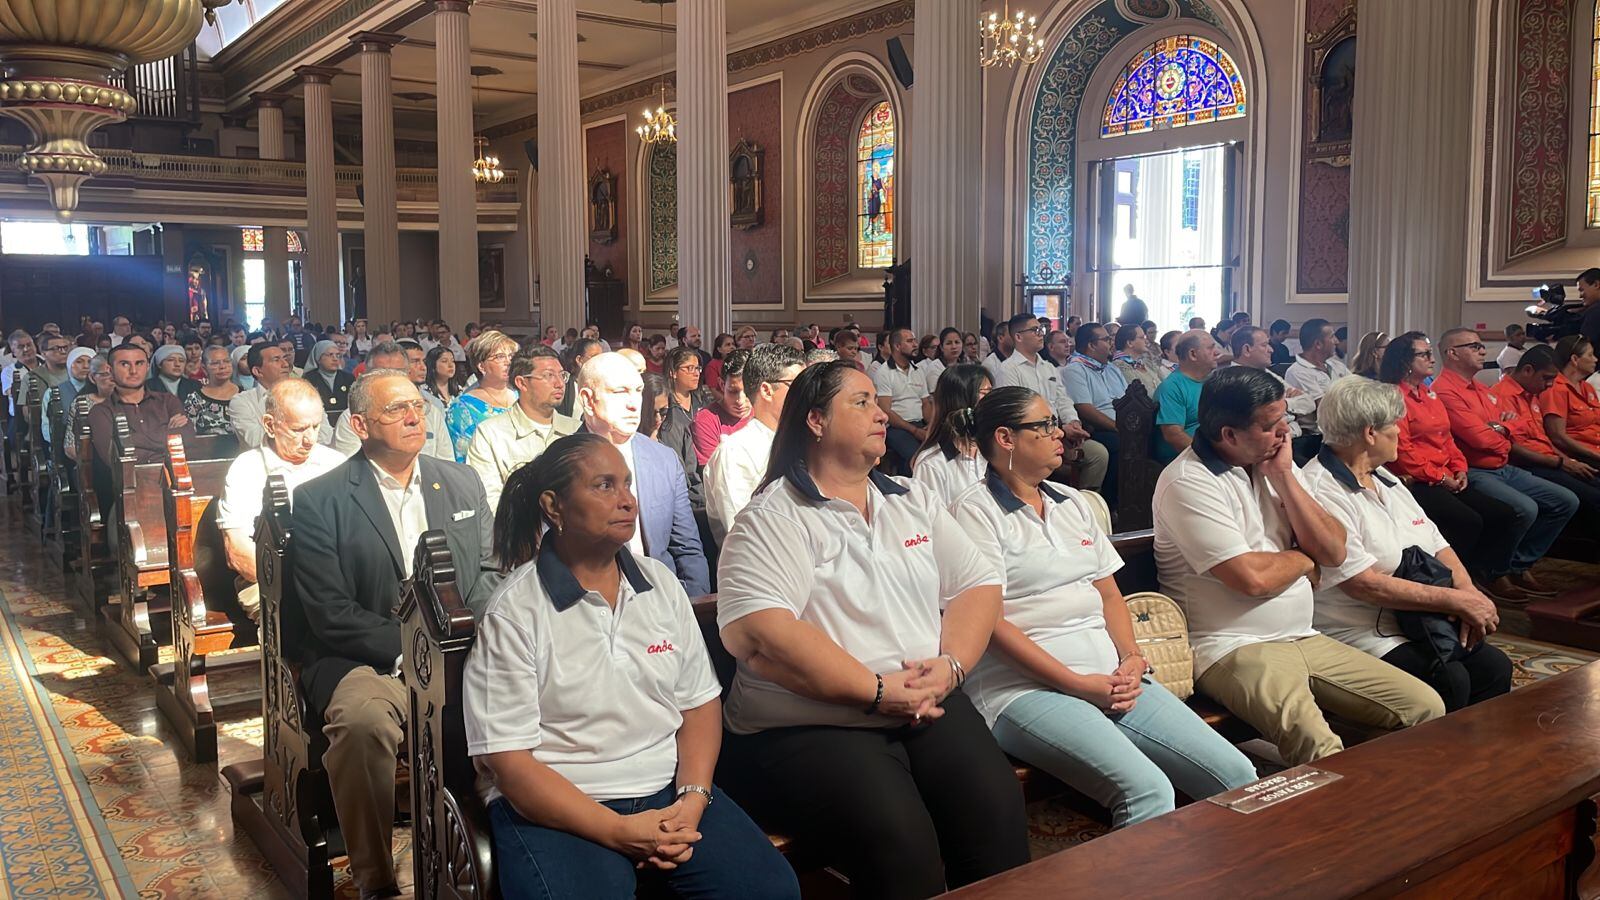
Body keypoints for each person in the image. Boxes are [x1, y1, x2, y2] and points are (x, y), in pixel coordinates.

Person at [715, 361, 1031, 898]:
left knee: (995, 808)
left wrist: (951, 667)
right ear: (815, 420)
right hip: (811, 722)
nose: (882, 414)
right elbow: (764, 632)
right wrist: (878, 691)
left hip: (925, 699)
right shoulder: (773, 516)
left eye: (876, 402)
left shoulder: (910, 498)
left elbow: (977, 584)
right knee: (902, 843)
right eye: (860, 403)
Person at [462, 435, 800, 900]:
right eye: (604, 486)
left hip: (666, 788)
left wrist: (692, 798)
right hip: (560, 800)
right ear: (554, 506)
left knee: (769, 889)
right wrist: (620, 831)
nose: (627, 501)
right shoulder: (515, 611)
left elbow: (699, 704)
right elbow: (509, 763)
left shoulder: (660, 585)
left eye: (626, 484)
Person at [950, 386, 1256, 827]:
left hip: (1111, 677)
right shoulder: (974, 512)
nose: (1060, 433)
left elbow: (1109, 593)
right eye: (1045, 425)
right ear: (1005, 438)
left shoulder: (1070, 501)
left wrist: (1131, 657)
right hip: (1024, 689)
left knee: (1237, 775)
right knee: (1147, 790)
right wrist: (1077, 684)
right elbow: (991, 624)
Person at [1153, 367, 1443, 765]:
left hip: (1304, 636)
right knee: (1318, 746)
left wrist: (1286, 478)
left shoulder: (1273, 463)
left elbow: (1334, 551)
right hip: (1232, 646)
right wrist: (1305, 559)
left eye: (1285, 418)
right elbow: (1251, 578)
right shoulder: (1189, 481)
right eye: (1271, 425)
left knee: (1425, 708)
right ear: (1229, 435)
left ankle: (1375, 794)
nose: (1285, 431)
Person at [288, 368, 495, 900]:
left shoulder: (461, 481)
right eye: (395, 409)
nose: (413, 417)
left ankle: (502, 853)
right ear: (359, 425)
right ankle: (376, 879)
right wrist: (416, 651)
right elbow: (330, 612)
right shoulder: (320, 498)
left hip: (462, 649)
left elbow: (491, 572)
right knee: (362, 724)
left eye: (418, 407)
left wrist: (461, 641)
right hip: (366, 657)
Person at [1303, 376, 1512, 712]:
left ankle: (1481, 747)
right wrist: (1455, 601)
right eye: (1395, 425)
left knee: (1494, 668)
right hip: (1360, 630)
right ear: (1370, 433)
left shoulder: (1385, 478)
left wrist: (1469, 592)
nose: (1401, 432)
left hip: (1419, 620)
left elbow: (1437, 543)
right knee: (1449, 679)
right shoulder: (1320, 490)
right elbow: (1363, 584)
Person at [1377, 333, 1527, 602]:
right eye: (1424, 354)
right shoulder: (1393, 396)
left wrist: (1459, 469)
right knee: (1468, 521)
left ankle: (1480, 572)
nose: (1432, 358)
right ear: (1406, 361)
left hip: (1446, 474)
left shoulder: (1429, 393)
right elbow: (1403, 452)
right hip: (1416, 479)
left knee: (1503, 513)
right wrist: (1441, 477)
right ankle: (1447, 578)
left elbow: (1447, 439)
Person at [1433, 328, 1577, 599]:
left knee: (1565, 501)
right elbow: (1482, 439)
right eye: (1474, 346)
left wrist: (1501, 429)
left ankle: (1517, 565)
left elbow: (1512, 427)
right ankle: (1492, 572)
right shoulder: (1444, 391)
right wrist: (1503, 429)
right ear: (1452, 353)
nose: (1483, 351)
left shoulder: (1480, 388)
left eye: (1481, 346)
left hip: (1503, 465)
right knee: (1525, 508)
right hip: (1475, 469)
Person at [576, 353, 711, 596]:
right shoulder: (560, 464)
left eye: (638, 391)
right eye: (620, 392)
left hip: (664, 599)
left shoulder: (664, 459)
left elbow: (688, 547)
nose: (633, 403)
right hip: (593, 604)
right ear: (587, 399)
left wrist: (692, 604)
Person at [217, 379, 344, 623]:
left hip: (336, 583)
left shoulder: (335, 463)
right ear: (269, 425)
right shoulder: (247, 469)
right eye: (298, 429)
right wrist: (304, 587)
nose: (310, 439)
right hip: (270, 585)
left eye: (316, 426)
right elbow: (237, 553)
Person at [993, 313, 1109, 491]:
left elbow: (1063, 399)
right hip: (1031, 435)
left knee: (1098, 453)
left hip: (1059, 433)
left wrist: (1073, 422)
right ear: (1018, 337)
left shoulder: (1048, 367)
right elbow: (1016, 412)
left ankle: (1083, 501)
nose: (1041, 334)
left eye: (1041, 329)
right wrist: (1059, 429)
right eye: (1035, 330)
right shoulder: (1008, 370)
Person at [704, 344, 804, 545]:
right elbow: (743, 532)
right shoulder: (735, 453)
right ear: (766, 390)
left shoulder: (804, 441)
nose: (806, 393)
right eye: (797, 385)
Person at [86, 344, 196, 516]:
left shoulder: (168, 401)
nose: (133, 370)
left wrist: (134, 439)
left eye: (139, 363)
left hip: (175, 486)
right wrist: (168, 435)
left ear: (147, 366)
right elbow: (115, 459)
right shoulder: (101, 412)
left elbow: (188, 438)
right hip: (131, 495)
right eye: (124, 364)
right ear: (110, 370)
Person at [466, 346, 581, 510]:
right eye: (548, 375)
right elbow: (489, 503)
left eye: (562, 375)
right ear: (521, 383)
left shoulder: (576, 431)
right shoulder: (491, 434)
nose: (559, 383)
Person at [1494, 343, 1600, 520]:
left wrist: (1568, 461)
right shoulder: (1501, 396)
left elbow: (1544, 439)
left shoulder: (1531, 394)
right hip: (1528, 465)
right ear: (1528, 370)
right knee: (1593, 497)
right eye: (1546, 378)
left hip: (1550, 459)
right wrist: (1560, 462)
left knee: (1594, 482)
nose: (1550, 385)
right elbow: (1512, 448)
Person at [334, 342, 453, 461]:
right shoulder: (352, 418)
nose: (391, 379)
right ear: (367, 375)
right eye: (381, 373)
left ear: (408, 373)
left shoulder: (431, 413)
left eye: (398, 372)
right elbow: (349, 466)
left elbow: (446, 463)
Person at [1233, 326, 1319, 461]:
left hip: (1296, 440)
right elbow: (1264, 417)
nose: (1271, 350)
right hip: (1269, 449)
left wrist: (1284, 404)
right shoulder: (1235, 381)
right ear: (1247, 350)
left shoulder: (1267, 373)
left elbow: (1309, 403)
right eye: (1264, 345)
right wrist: (1291, 411)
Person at [912, 364, 994, 506]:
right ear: (961, 400)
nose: (992, 400)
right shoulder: (933, 463)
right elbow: (931, 515)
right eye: (985, 393)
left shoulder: (993, 449)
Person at [230, 342, 332, 449]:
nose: (285, 364)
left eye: (284, 358)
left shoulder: (306, 396)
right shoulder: (242, 402)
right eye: (276, 360)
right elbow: (254, 441)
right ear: (258, 371)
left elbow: (326, 436)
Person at [446, 330, 519, 463]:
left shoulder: (522, 394)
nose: (508, 362)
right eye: (500, 357)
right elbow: (463, 457)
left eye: (511, 356)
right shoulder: (462, 407)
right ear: (481, 366)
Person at [1061, 321, 1128, 455]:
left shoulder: (1111, 368)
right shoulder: (1074, 370)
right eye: (1107, 340)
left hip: (1128, 424)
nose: (1112, 343)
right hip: (1102, 429)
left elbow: (1129, 398)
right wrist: (1118, 427)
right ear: (1091, 345)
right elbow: (1085, 410)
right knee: (1122, 442)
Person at [872, 327, 932, 474]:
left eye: (915, 340)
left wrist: (931, 426)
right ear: (897, 346)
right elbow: (886, 410)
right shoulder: (884, 373)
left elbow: (925, 403)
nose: (915, 345)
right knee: (916, 457)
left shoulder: (918, 371)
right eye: (910, 341)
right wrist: (914, 430)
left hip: (920, 424)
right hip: (896, 427)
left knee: (938, 451)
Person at [1153, 329, 1219, 462]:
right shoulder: (1172, 387)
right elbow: (1174, 435)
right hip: (1187, 459)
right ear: (1193, 354)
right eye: (1210, 348)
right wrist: (1212, 459)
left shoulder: (1212, 381)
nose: (1217, 352)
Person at [657, 347, 711, 509]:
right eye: (689, 368)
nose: (696, 373)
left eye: (697, 368)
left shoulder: (702, 402)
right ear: (673, 372)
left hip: (707, 479)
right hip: (686, 489)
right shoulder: (666, 410)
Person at [1542, 335, 1600, 465]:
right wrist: (1594, 455)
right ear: (1574, 359)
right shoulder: (1555, 389)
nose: (1595, 359)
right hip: (1581, 455)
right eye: (1590, 355)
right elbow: (1557, 436)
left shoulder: (1587, 387)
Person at [1283, 318, 1345, 437]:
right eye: (1332, 337)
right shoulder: (1298, 372)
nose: (1336, 341)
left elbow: (1357, 392)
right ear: (1318, 344)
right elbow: (1325, 409)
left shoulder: (1337, 365)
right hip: (1317, 437)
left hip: (1343, 431)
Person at [692, 350, 750, 468]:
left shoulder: (764, 412)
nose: (740, 400)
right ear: (722, 385)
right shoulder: (705, 420)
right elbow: (714, 473)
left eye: (748, 391)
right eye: (733, 392)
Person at [40, 347, 93, 449]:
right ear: (69, 364)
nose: (86, 366)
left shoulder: (101, 391)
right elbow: (46, 425)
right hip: (62, 447)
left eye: (90, 362)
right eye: (79, 362)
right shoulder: (53, 392)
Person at [183, 345, 240, 436]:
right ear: (204, 368)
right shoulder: (195, 400)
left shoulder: (245, 395)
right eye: (215, 363)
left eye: (226, 361)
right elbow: (188, 435)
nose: (222, 366)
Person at [304, 339, 356, 427]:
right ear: (319, 358)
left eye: (338, 355)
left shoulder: (348, 378)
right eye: (330, 355)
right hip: (318, 424)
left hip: (346, 424)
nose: (335, 359)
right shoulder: (308, 379)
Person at [1111, 324, 1163, 398]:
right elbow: (1139, 395)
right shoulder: (1119, 366)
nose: (1146, 341)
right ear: (1130, 343)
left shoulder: (1144, 363)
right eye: (1142, 337)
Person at [920, 327, 964, 394]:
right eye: (949, 343)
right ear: (941, 347)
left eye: (957, 342)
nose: (954, 346)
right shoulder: (935, 367)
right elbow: (935, 395)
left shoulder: (965, 365)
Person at [1578, 267, 1600, 348]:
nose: (1580, 295)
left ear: (1596, 284)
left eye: (1581, 290)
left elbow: (1584, 349)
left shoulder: (1595, 311)